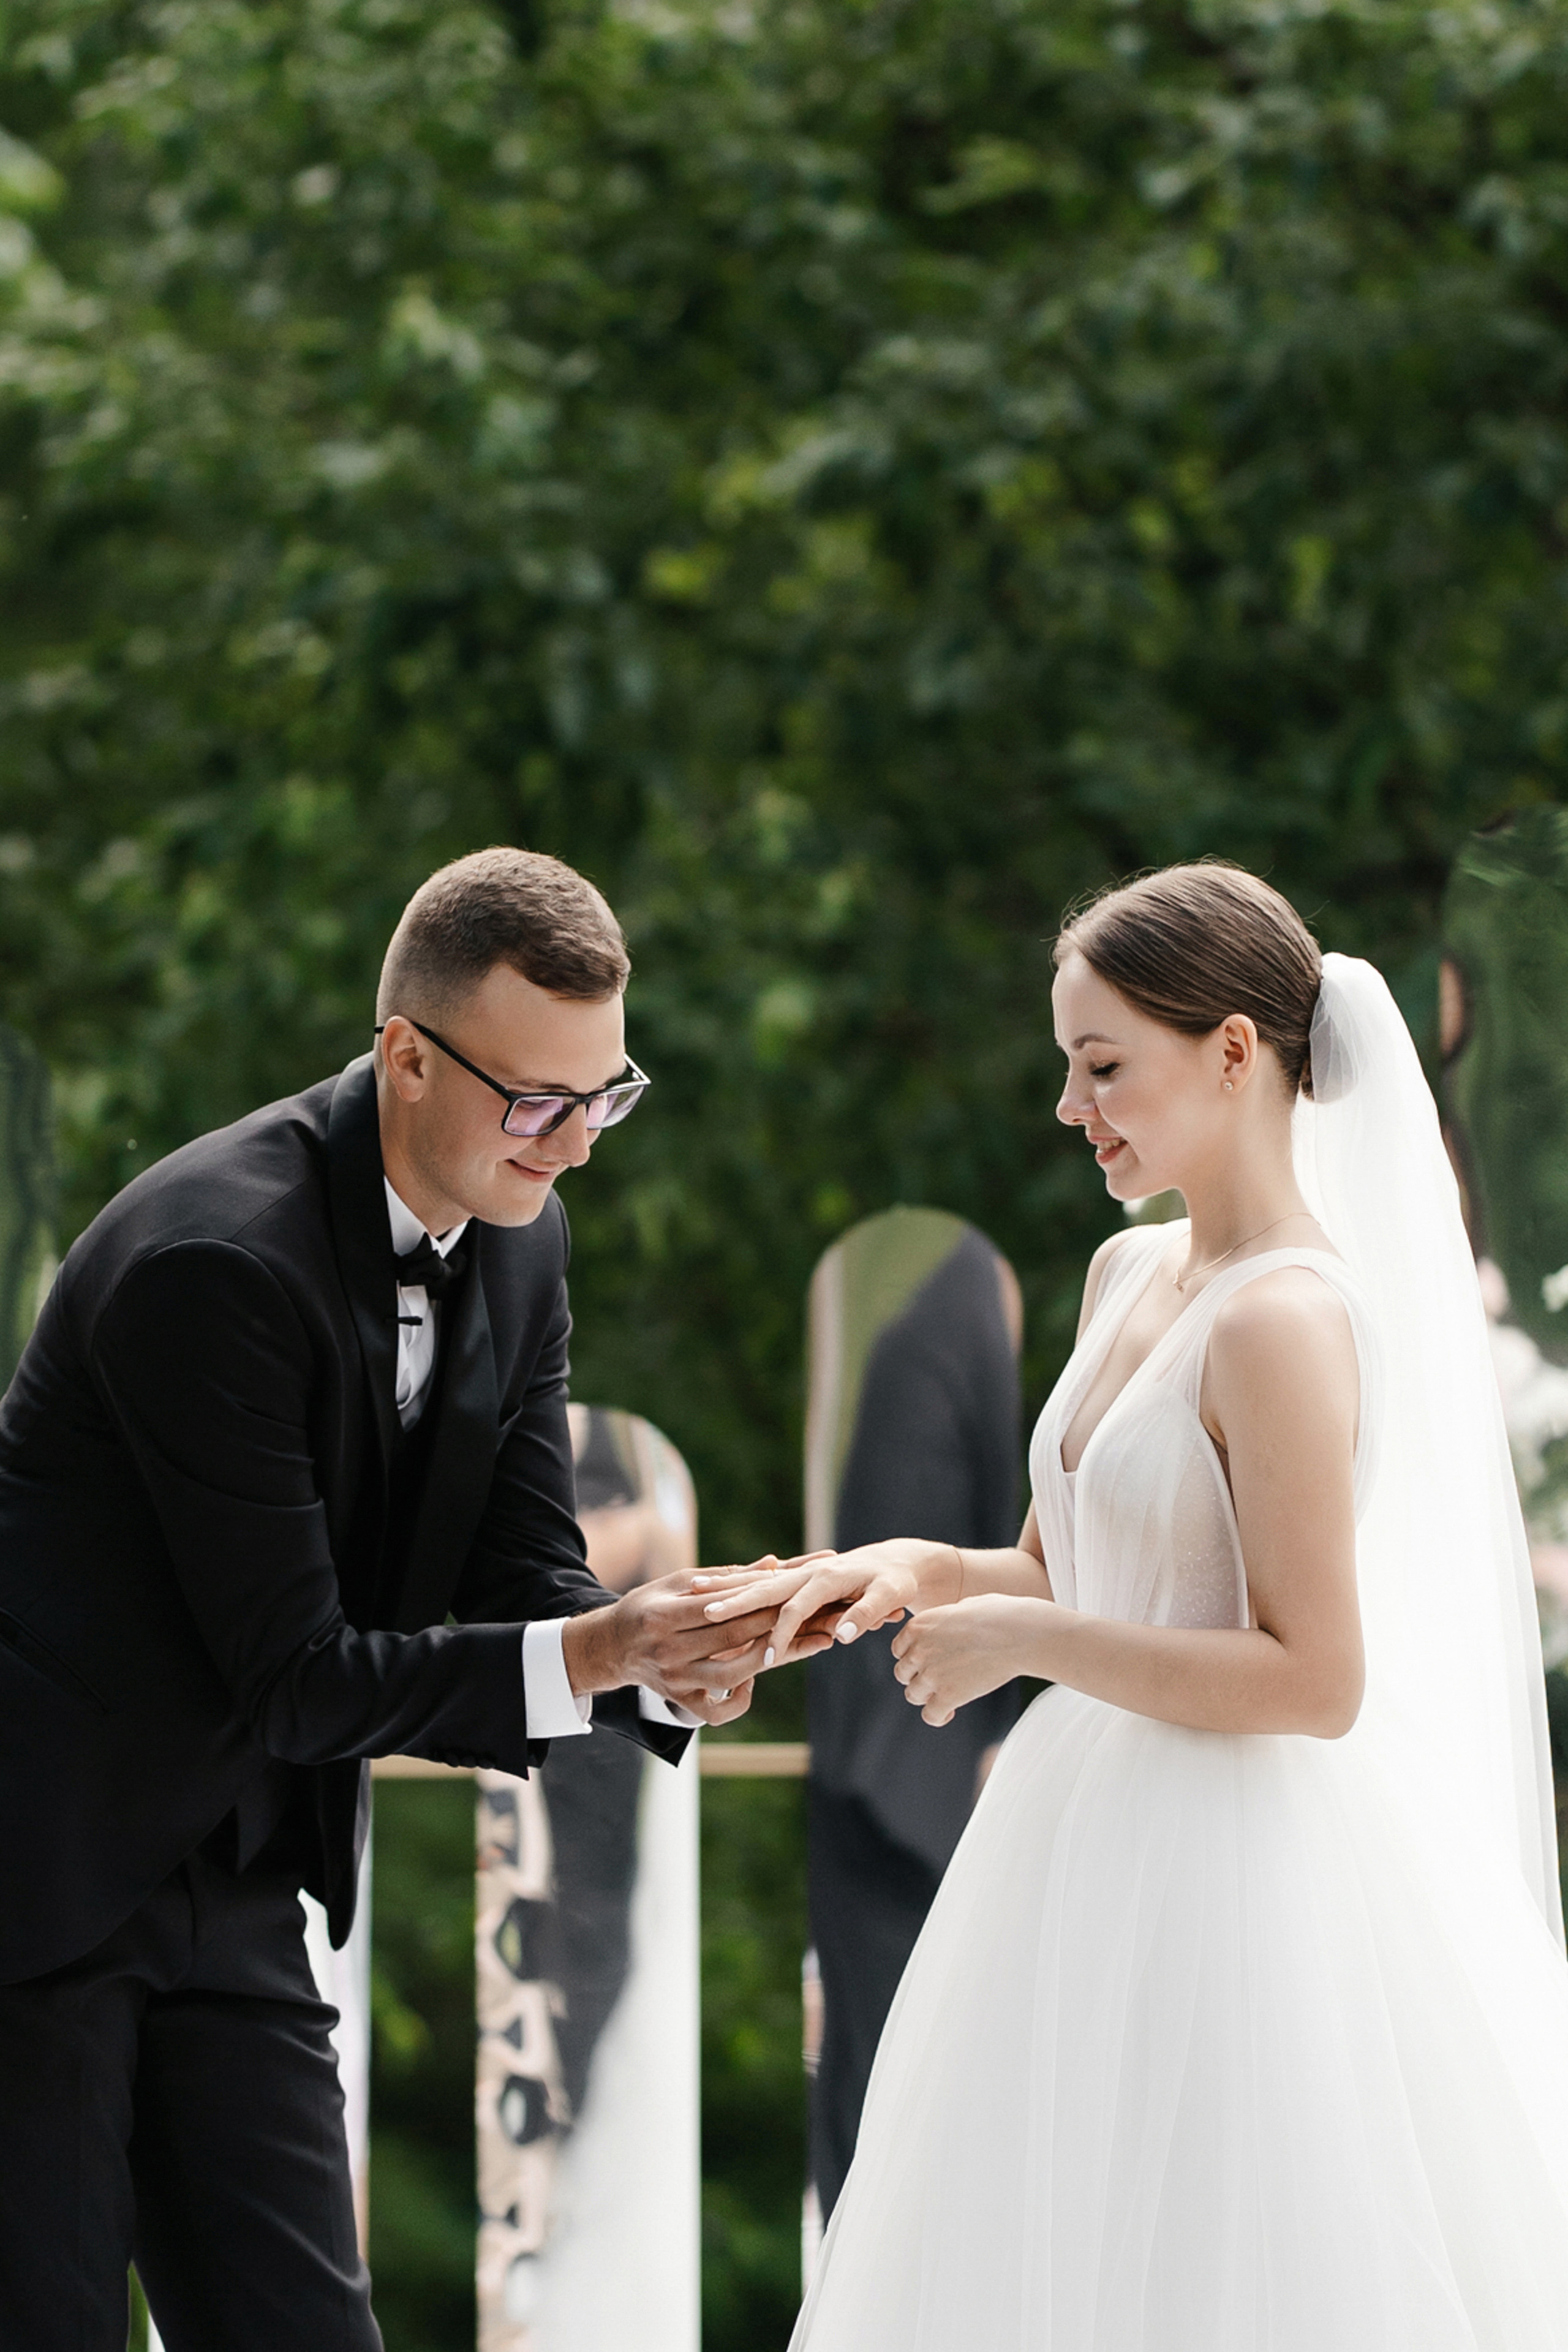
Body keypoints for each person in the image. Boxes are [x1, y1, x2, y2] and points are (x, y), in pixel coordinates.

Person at [701, 863, 1568, 2350]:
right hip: (1072, 1840)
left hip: (1240, 1875)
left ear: (1234, 1053)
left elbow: (1312, 1678)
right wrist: (907, 1572)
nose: (1067, 1107)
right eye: (1066, 1066)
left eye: (1101, 1067)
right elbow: (1057, 1566)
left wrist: (1025, 1647)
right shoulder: (1126, 1272)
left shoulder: (1287, 1319)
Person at [0, 847, 771, 2352]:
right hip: (39, 1873)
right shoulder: (214, 1257)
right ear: (406, 1058)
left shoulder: (524, 1229)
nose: (575, 1148)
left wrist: (663, 1658)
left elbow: (527, 1562)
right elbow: (297, 1672)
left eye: (604, 1096)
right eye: (537, 1102)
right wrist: (583, 1652)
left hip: (236, 1871)